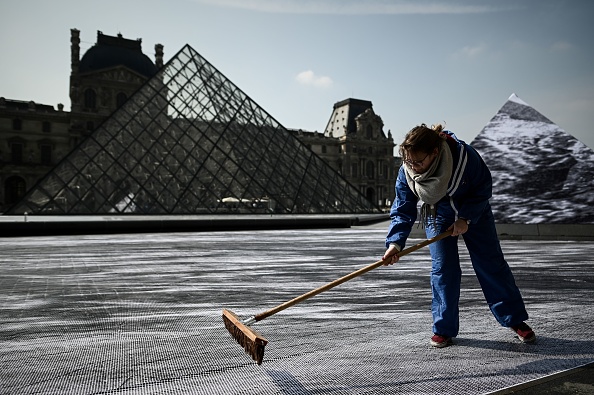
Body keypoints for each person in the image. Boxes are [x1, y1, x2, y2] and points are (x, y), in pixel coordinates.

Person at [383, 123, 535, 348]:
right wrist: (395, 243)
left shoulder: (465, 156)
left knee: (491, 264)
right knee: (443, 269)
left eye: (419, 162)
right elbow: (403, 206)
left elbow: (483, 187)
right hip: (437, 214)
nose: (413, 168)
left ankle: (514, 320)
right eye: (409, 162)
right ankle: (443, 328)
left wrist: (465, 218)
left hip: (475, 212)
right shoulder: (406, 170)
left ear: (435, 153)